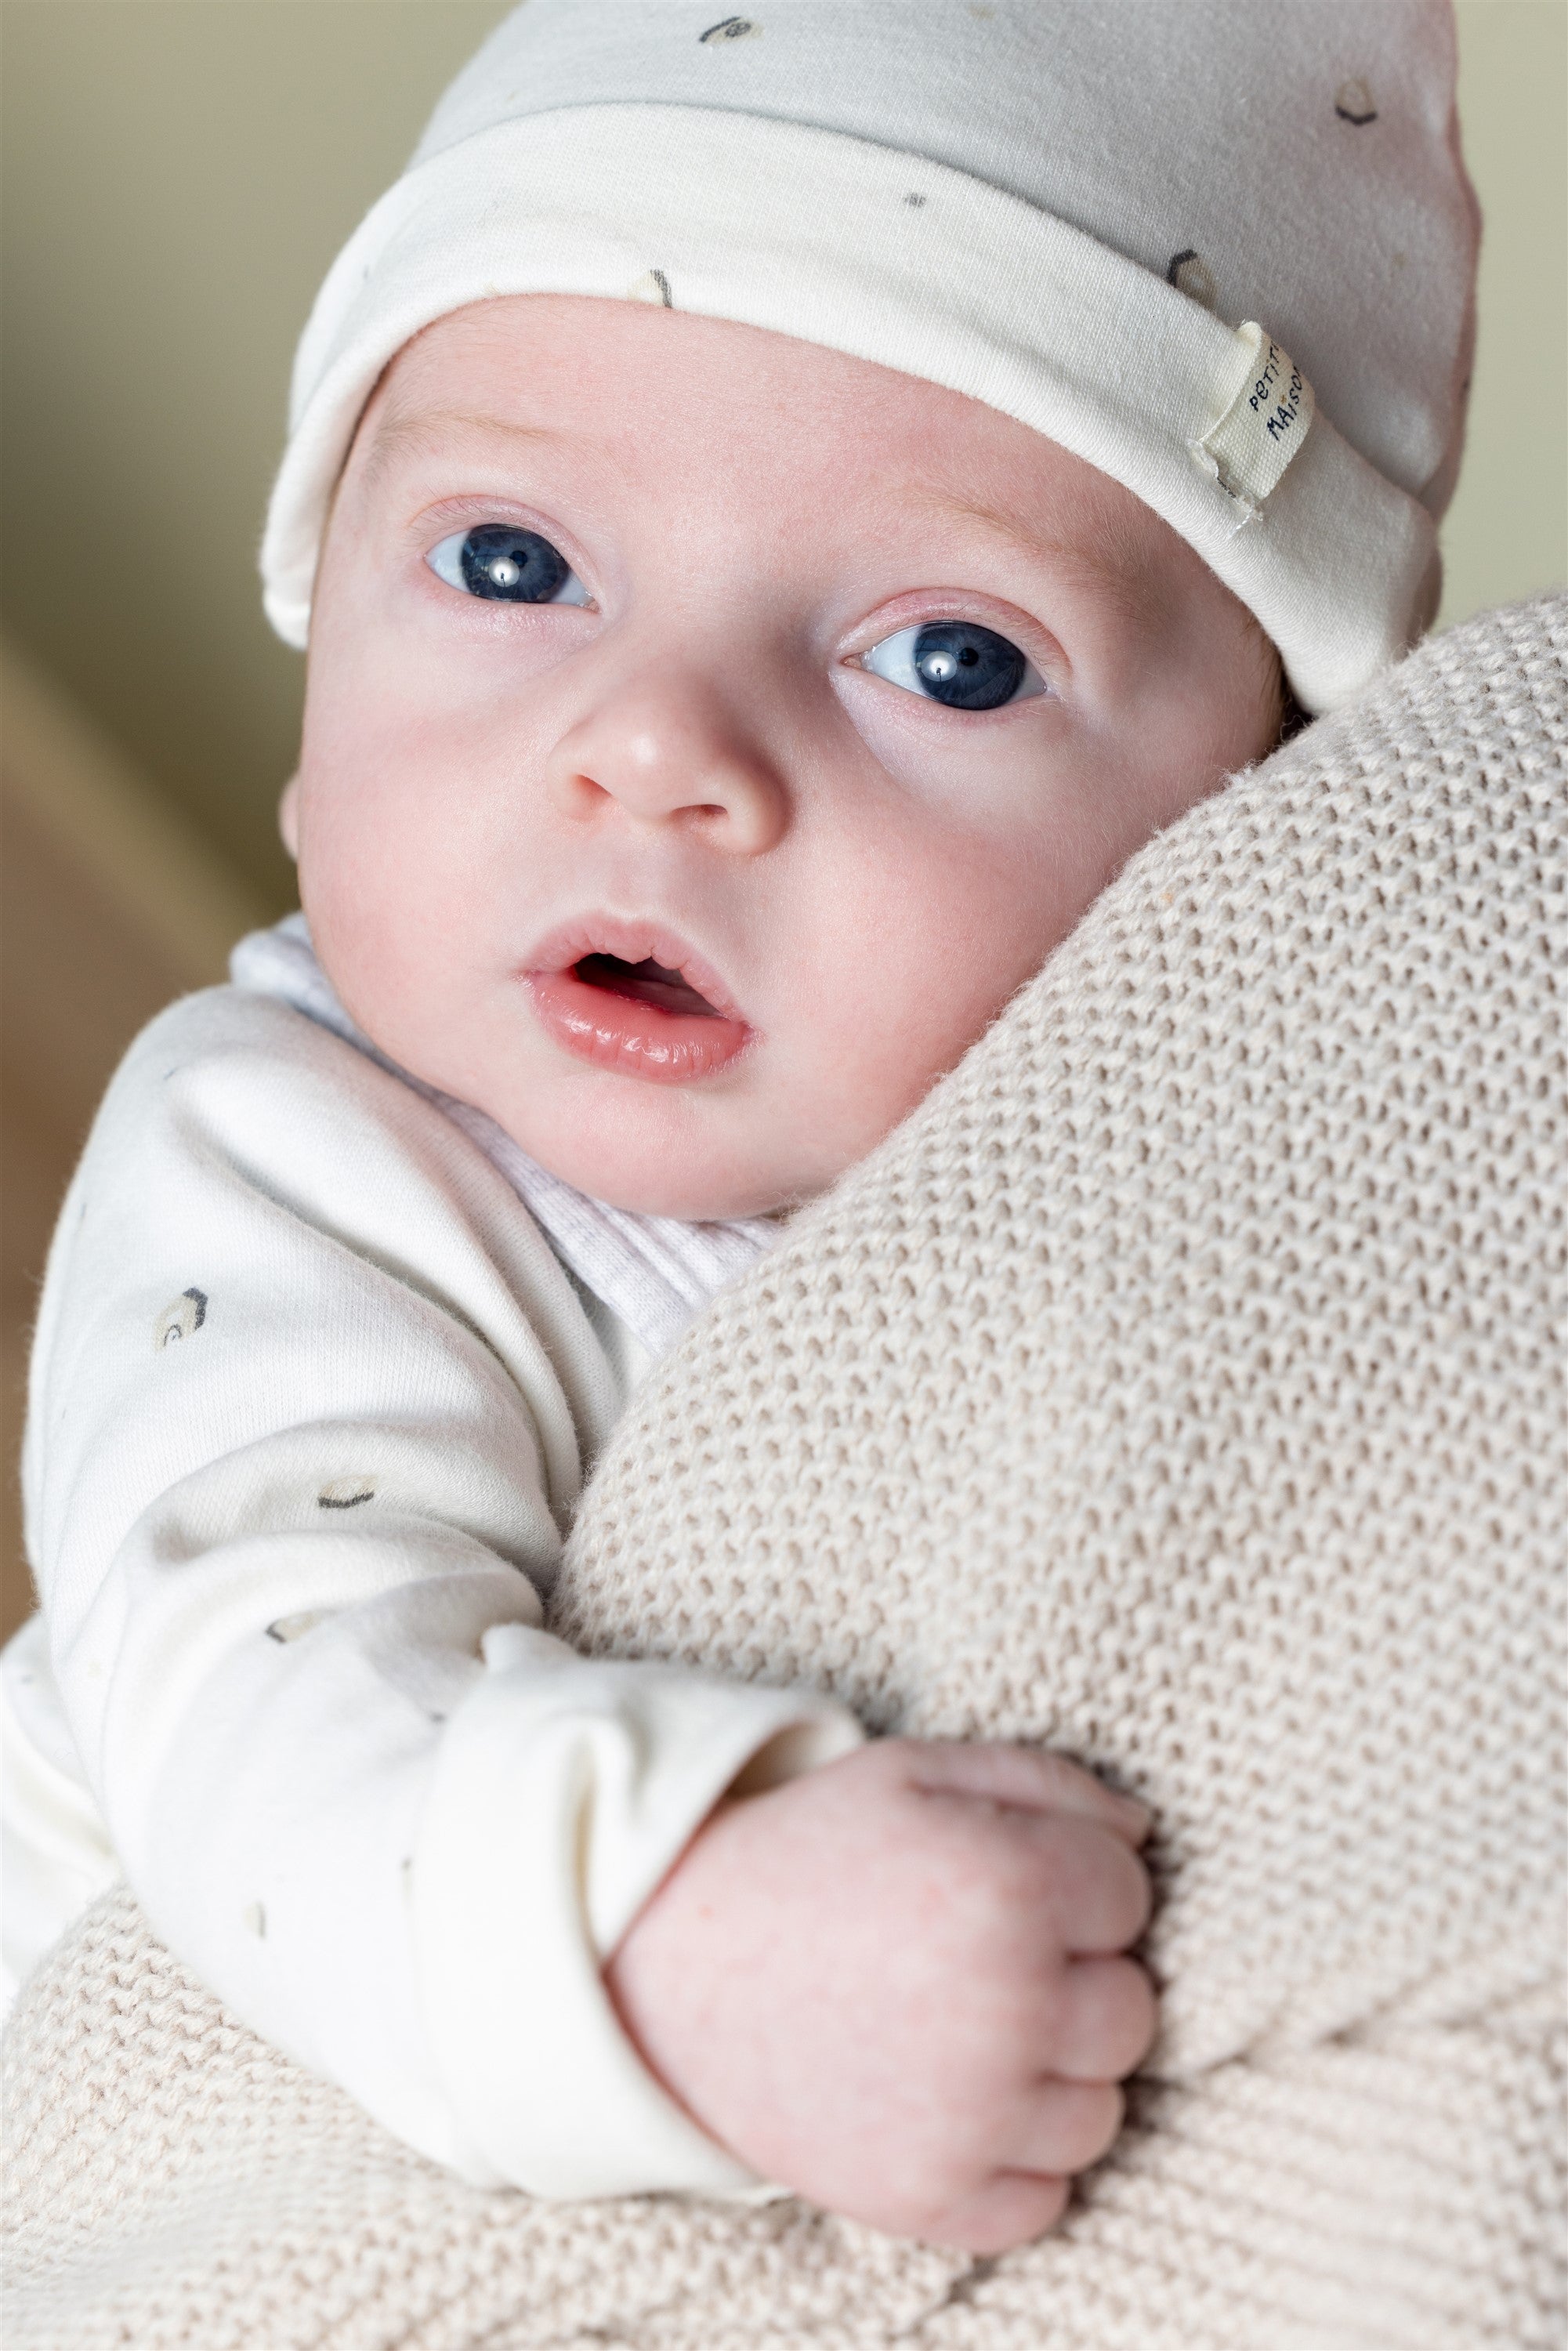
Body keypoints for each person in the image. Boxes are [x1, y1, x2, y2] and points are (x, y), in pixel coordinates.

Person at [2, 0, 1478, 2258]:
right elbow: (267, 1712)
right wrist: (667, 1943)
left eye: (950, 659)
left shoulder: (1203, 1168)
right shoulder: (302, 1160)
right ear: (314, 725)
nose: (658, 746)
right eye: (512, 567)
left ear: (1237, 849)